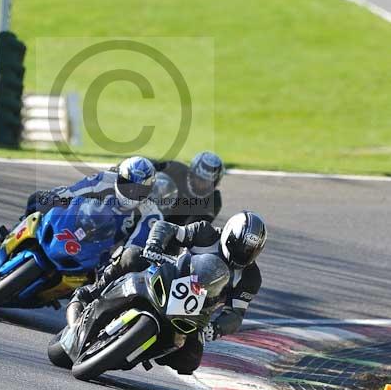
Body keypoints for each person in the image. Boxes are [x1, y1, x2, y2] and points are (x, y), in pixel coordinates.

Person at [67, 210, 267, 374]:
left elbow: (235, 314)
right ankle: (93, 293)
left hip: (194, 312)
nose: (243, 254)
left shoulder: (250, 277)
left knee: (190, 360)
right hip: (168, 275)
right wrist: (155, 244)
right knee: (132, 255)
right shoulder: (205, 233)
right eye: (241, 248)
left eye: (250, 251)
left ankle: (146, 351)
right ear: (229, 235)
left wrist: (216, 328)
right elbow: (167, 228)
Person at [25, 155, 162, 251]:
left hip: (102, 258)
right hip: (72, 229)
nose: (131, 191)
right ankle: (14, 236)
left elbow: (134, 248)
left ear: (150, 190)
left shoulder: (151, 214)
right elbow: (71, 192)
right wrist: (53, 197)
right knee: (37, 200)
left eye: (139, 189)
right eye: (127, 185)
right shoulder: (103, 180)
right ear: (118, 177)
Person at [149, 151, 225, 225]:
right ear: (192, 174)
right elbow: (150, 167)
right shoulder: (176, 168)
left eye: (208, 182)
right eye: (199, 179)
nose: (202, 184)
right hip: (153, 211)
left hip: (175, 230)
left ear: (215, 182)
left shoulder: (214, 201)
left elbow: (197, 228)